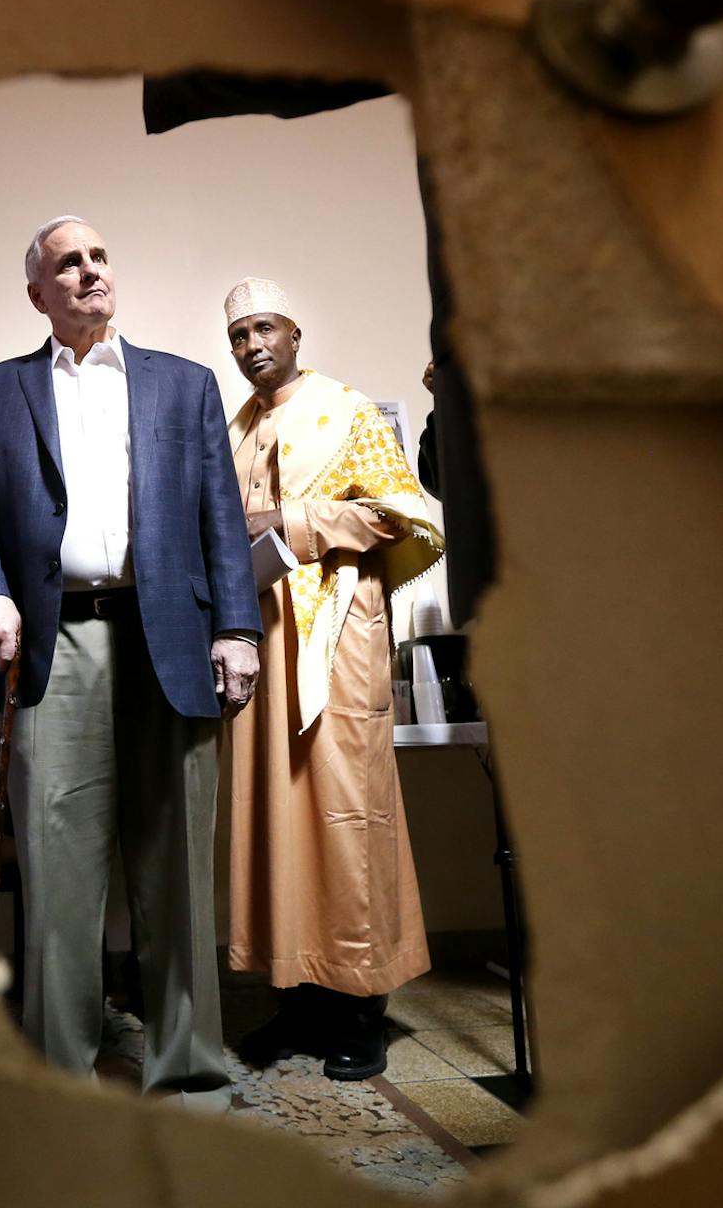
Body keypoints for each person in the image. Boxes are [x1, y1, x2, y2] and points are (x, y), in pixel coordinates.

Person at [0, 215, 260, 1110]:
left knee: (178, 868)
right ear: (37, 294)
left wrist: (238, 628)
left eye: (98, 257)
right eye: (64, 264)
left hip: (171, 638)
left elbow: (221, 520)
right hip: (55, 644)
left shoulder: (183, 385)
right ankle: (59, 1079)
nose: (87, 272)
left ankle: (188, 1066)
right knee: (58, 866)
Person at [221, 277, 444, 1080]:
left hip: (337, 635)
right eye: (239, 334)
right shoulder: (236, 427)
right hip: (262, 637)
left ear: (295, 333)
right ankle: (299, 999)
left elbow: (403, 512)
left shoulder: (346, 411)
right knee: (278, 816)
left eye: (265, 329)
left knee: (349, 816)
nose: (252, 346)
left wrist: (293, 520)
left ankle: (361, 1010)